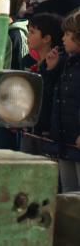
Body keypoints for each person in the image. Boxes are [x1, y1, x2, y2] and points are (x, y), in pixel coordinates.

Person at [45, 10, 80, 191]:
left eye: (68, 34)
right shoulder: (67, 63)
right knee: (68, 194)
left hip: (76, 140)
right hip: (65, 141)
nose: (63, 39)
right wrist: (51, 70)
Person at [20, 13, 64, 156]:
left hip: (45, 133)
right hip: (30, 129)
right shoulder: (31, 62)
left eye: (32, 32)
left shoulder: (58, 65)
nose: (28, 36)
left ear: (46, 38)